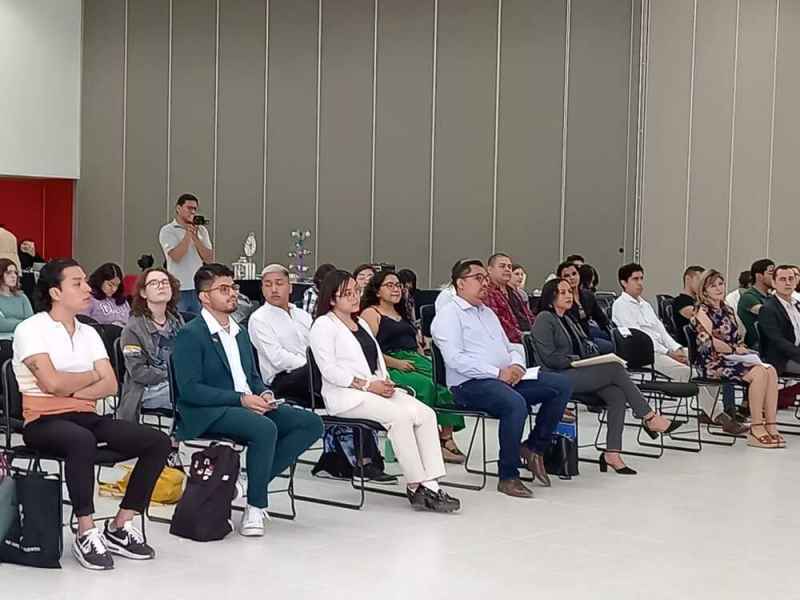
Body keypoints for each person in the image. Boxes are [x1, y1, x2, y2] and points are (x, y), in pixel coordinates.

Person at [12, 259, 171, 570]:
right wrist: (88, 377)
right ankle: (85, 529)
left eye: (86, 281)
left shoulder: (88, 332)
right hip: (41, 421)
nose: (87, 288)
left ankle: (120, 525)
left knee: (158, 442)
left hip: (85, 415)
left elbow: (110, 384)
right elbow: (51, 383)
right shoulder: (30, 329)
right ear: (55, 292)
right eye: (77, 283)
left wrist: (69, 390)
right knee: (81, 440)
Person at [172, 264, 323, 536]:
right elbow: (190, 390)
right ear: (204, 297)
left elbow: (252, 376)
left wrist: (264, 393)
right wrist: (241, 400)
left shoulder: (239, 332)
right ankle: (255, 506)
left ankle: (246, 483)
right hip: (209, 410)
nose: (232, 294)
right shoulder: (191, 334)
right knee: (264, 429)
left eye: (233, 287)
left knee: (310, 423)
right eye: (223, 289)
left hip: (245, 404)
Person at [309, 270, 461, 513]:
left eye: (356, 292)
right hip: (346, 395)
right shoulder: (323, 325)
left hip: (375, 389)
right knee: (399, 417)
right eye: (347, 294)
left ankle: (431, 483)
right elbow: (329, 370)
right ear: (331, 298)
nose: (354, 297)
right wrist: (368, 385)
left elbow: (377, 360)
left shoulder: (360, 323)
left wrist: (386, 382)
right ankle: (416, 485)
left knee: (426, 414)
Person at [431, 260, 573, 499]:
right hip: (469, 384)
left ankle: (533, 447)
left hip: (505, 378)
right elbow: (455, 360)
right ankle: (508, 475)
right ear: (460, 283)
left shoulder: (487, 313)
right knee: (514, 403)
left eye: (485, 278)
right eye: (478, 278)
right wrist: (497, 373)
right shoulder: (448, 315)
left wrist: (516, 365)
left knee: (561, 385)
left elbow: (512, 346)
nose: (485, 283)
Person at [532, 279, 682, 474]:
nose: (569, 295)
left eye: (569, 291)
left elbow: (584, 346)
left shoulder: (568, 319)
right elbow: (550, 358)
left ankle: (612, 453)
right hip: (556, 376)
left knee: (616, 394)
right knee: (615, 368)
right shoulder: (544, 319)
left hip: (575, 371)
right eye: (562, 292)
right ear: (550, 297)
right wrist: (577, 360)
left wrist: (591, 359)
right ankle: (649, 417)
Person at [612, 263, 746, 434]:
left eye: (641, 278)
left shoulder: (645, 304)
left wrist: (677, 349)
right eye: (635, 279)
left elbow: (662, 332)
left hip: (663, 350)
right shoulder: (620, 305)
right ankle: (720, 415)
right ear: (624, 282)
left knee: (707, 362)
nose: (640, 283)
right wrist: (669, 353)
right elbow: (638, 337)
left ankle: (709, 411)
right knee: (690, 374)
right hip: (645, 354)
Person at [360, 270, 467, 463]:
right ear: (377, 291)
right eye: (390, 285)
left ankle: (446, 438)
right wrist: (396, 363)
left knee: (445, 384)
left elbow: (416, 343)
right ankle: (428, 440)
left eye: (398, 285)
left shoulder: (402, 312)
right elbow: (368, 350)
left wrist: (422, 357)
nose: (396, 289)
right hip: (389, 363)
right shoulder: (371, 313)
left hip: (414, 359)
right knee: (426, 386)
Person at [692, 269, 782, 448]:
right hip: (712, 362)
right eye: (713, 286)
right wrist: (734, 350)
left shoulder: (727, 309)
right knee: (758, 373)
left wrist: (743, 350)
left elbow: (737, 338)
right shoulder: (701, 310)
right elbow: (707, 343)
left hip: (732, 358)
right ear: (704, 290)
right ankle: (756, 428)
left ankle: (771, 425)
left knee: (770, 370)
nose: (719, 288)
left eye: (721, 284)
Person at [118, 268, 184, 432]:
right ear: (143, 292)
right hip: (147, 390)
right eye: (154, 283)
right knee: (191, 395)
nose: (161, 286)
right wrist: (172, 376)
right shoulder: (133, 328)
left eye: (165, 282)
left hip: (176, 383)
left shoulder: (177, 321)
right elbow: (138, 372)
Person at [248, 264, 314, 407]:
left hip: (310, 373)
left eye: (279, 283)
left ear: (290, 287)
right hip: (283, 379)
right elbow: (277, 357)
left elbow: (316, 345)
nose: (274, 289)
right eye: (268, 285)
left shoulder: (302, 315)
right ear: (262, 289)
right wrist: (310, 366)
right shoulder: (259, 318)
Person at [159, 193, 214, 315]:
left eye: (195, 209)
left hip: (198, 287)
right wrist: (187, 235)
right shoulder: (168, 230)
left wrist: (195, 237)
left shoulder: (202, 231)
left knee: (200, 320)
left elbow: (209, 259)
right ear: (178, 208)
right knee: (180, 320)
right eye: (189, 208)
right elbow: (176, 256)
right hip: (179, 288)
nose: (192, 211)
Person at [556, 260, 612, 354]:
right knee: (609, 348)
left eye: (574, 274)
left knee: (617, 344)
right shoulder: (560, 300)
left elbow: (601, 319)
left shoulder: (588, 295)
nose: (572, 278)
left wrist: (611, 332)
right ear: (560, 279)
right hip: (573, 341)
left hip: (588, 337)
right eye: (566, 276)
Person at [484, 253, 534, 346]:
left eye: (509, 267)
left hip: (527, 338)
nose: (507, 269)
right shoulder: (487, 292)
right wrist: (525, 338)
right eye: (502, 266)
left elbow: (528, 315)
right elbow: (498, 323)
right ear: (490, 270)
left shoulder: (514, 292)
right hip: (507, 344)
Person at [758, 265, 800, 377]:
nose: (788, 283)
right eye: (782, 279)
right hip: (781, 359)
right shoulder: (768, 309)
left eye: (791, 279)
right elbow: (777, 341)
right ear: (774, 283)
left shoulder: (797, 305)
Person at [737, 258, 775, 350]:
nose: (774, 277)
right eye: (771, 273)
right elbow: (768, 313)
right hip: (756, 346)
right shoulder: (748, 297)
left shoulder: (770, 297)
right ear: (759, 276)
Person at [0, 258, 33, 340]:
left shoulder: (22, 297)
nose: (14, 276)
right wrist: (23, 322)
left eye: (15, 273)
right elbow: (2, 325)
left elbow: (31, 322)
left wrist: (9, 320)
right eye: (8, 273)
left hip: (23, 339)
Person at [672, 266, 705, 346]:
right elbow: (699, 317)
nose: (702, 284)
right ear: (688, 279)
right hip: (689, 346)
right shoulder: (680, 301)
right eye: (699, 280)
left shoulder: (698, 302)